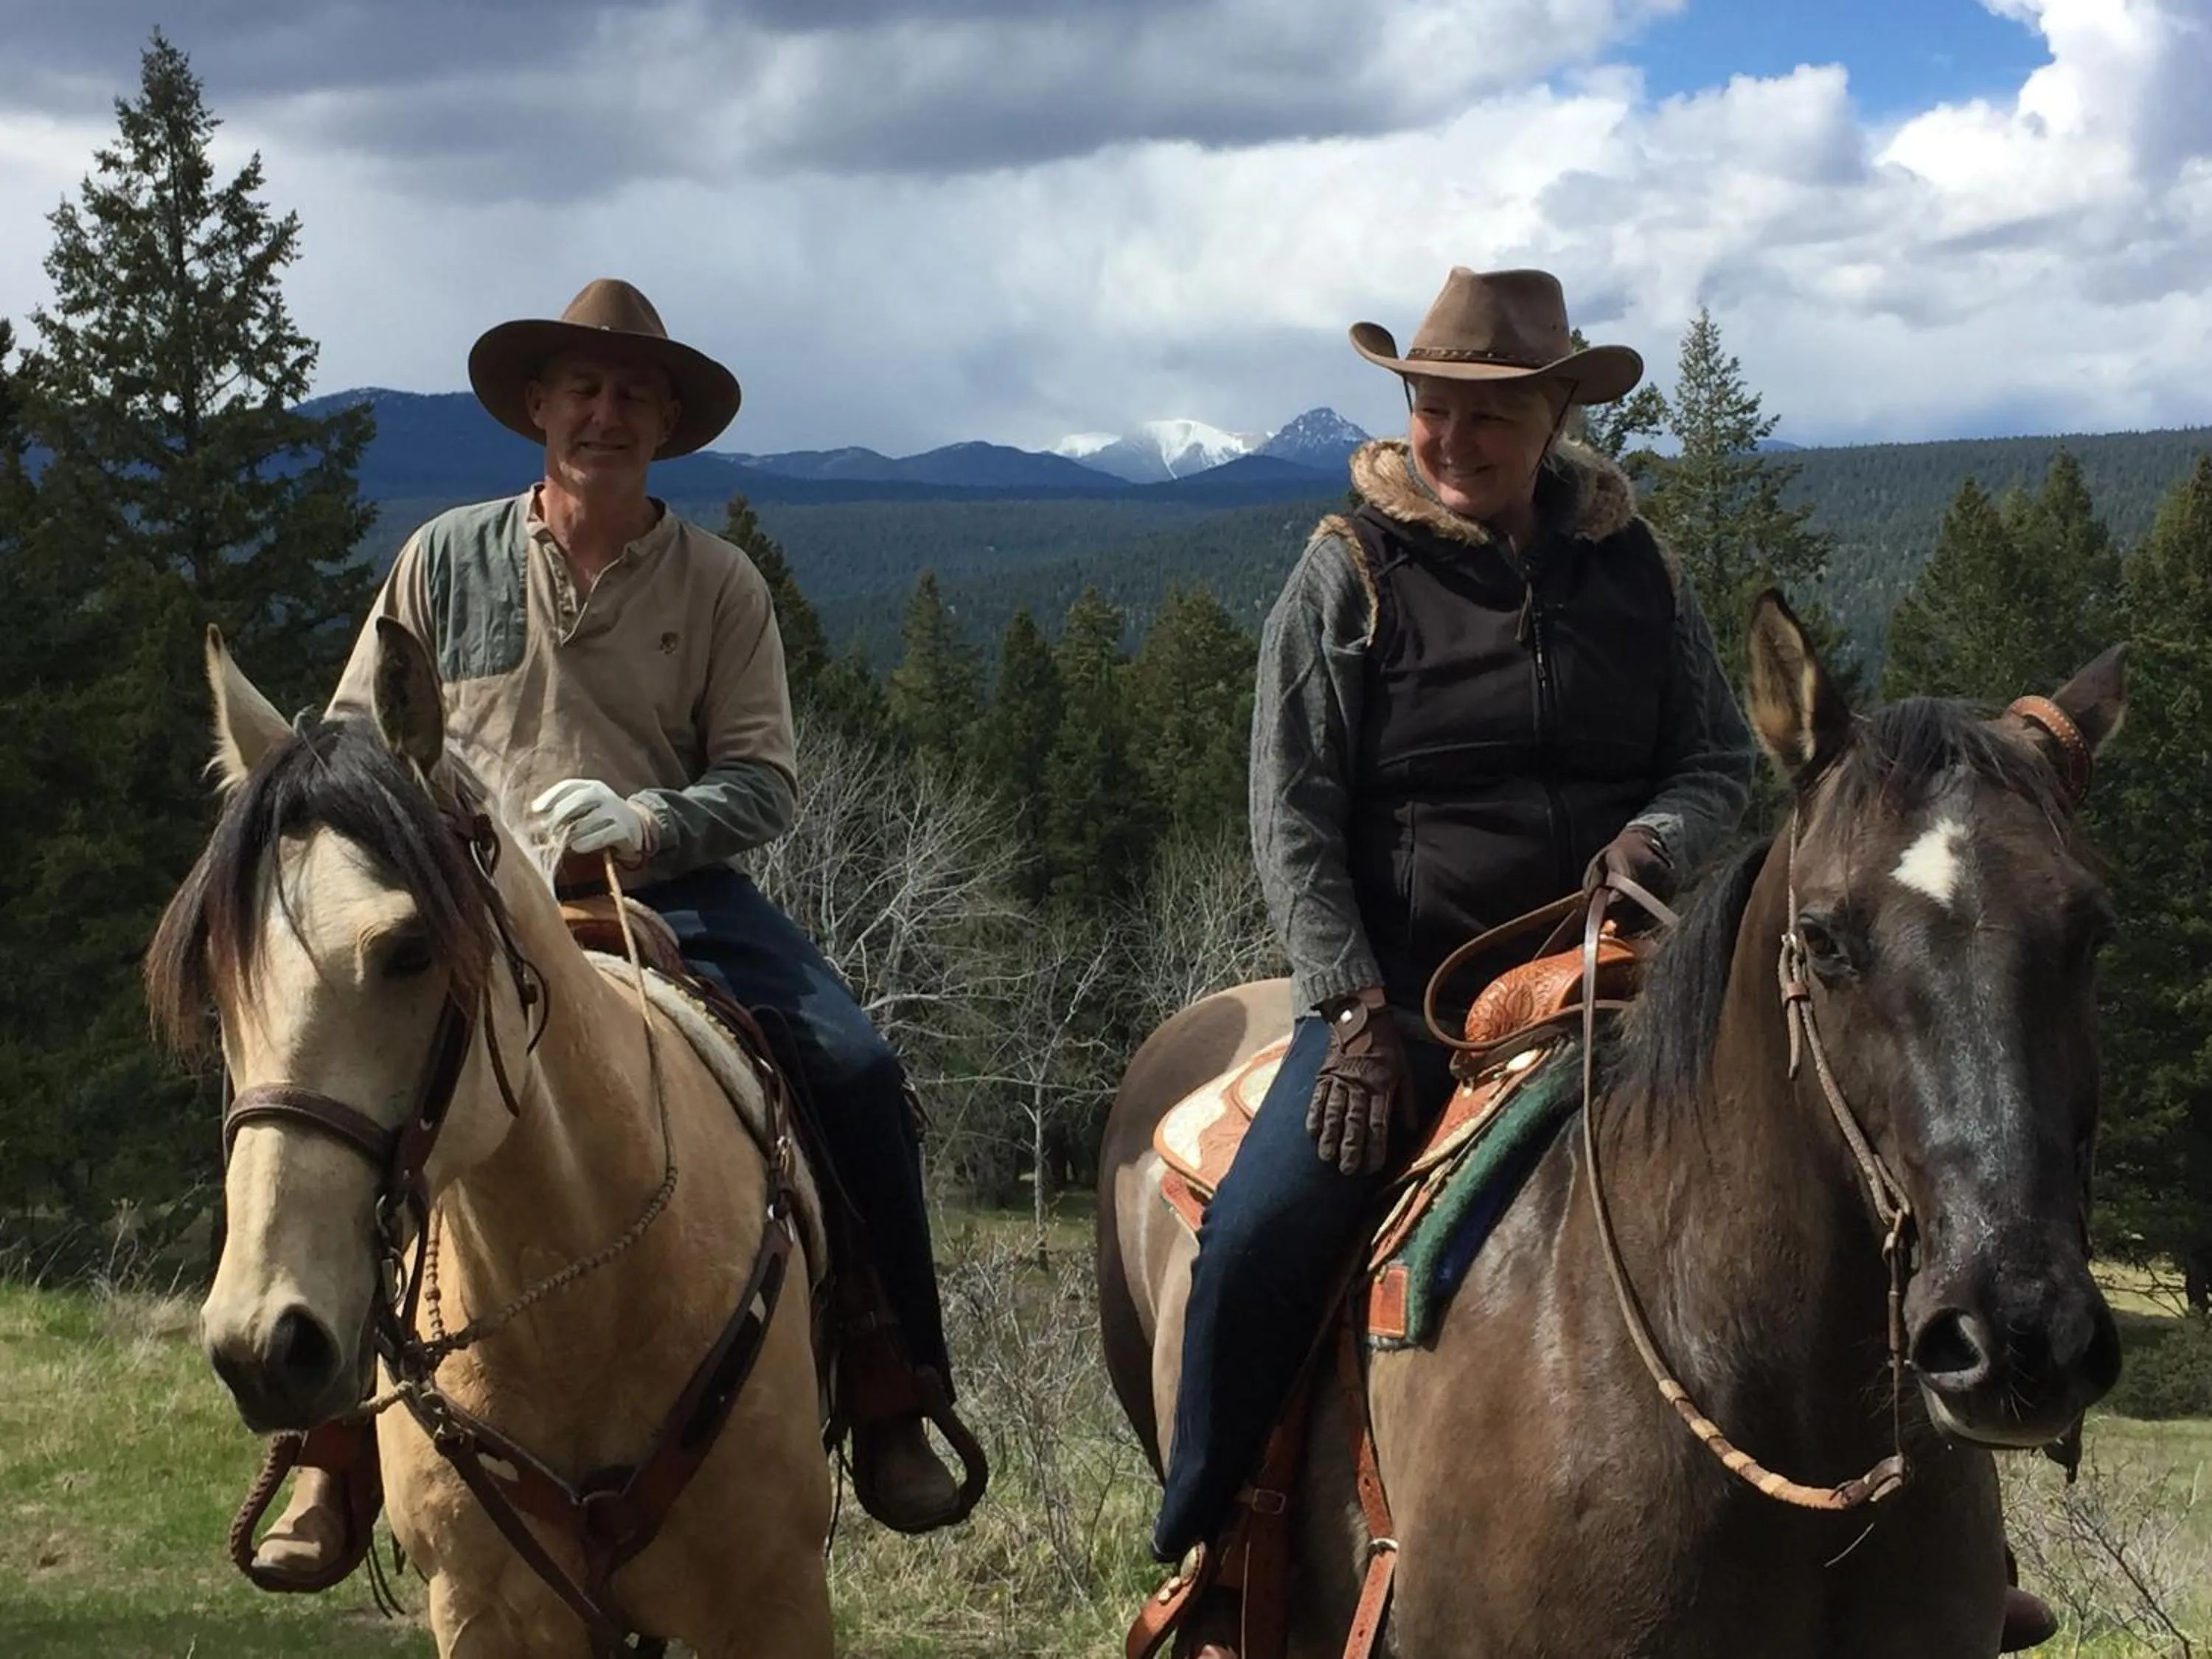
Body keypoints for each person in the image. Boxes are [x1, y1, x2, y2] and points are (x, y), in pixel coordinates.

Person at [1152, 266, 2060, 1658]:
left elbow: (1708, 754)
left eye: (1491, 413)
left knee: (1849, 1164)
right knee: (1272, 1222)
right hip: (1409, 992)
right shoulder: (1349, 574)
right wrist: (1343, 1002)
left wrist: (1654, 832)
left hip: (1630, 963)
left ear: (1558, 413)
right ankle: (1215, 1550)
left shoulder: (1634, 569)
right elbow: (1293, 814)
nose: (1455, 438)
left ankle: (1943, 1553)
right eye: (1434, 407)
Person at [254, 278, 969, 1579]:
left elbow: (766, 779)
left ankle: (889, 1387)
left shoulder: (720, 584)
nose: (606, 411)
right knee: (338, 1088)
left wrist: (647, 819)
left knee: (854, 1066)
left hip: (660, 892)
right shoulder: (443, 559)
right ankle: (327, 1449)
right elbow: (353, 740)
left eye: (634, 393)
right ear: (538, 405)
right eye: (582, 387)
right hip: (466, 901)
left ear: (667, 424)